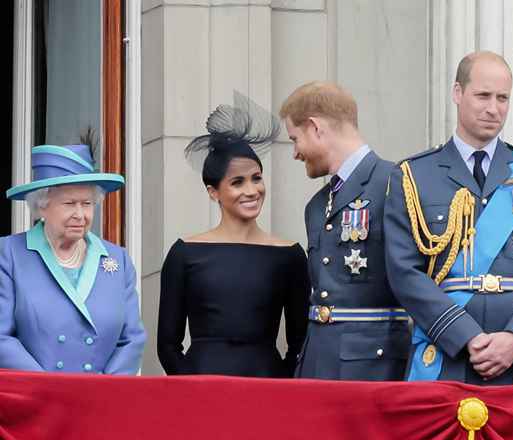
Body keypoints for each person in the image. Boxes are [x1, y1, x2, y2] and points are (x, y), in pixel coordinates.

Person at [384, 51, 513, 384]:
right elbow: (404, 271)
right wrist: (463, 334)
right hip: (445, 354)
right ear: (457, 93)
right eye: (483, 95)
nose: (493, 108)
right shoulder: (413, 175)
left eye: (503, 98)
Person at [157, 95, 309, 377]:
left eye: (256, 178)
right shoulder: (184, 253)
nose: (251, 191)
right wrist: (191, 387)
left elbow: (300, 342)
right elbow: (167, 345)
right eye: (237, 182)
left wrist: (284, 386)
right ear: (213, 191)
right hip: (201, 390)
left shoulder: (290, 254)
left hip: (268, 390)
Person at [280, 81, 410, 380]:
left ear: (314, 127)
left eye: (294, 139)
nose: (295, 153)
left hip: (373, 366)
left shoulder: (396, 183)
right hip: (317, 361)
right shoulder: (317, 204)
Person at [0, 143, 146, 374]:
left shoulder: (118, 259)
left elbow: (132, 339)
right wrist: (49, 387)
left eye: (87, 204)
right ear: (42, 206)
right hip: (37, 398)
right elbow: (2, 336)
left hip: (99, 400)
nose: (80, 215)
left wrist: (106, 388)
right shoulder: (9, 254)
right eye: (69, 204)